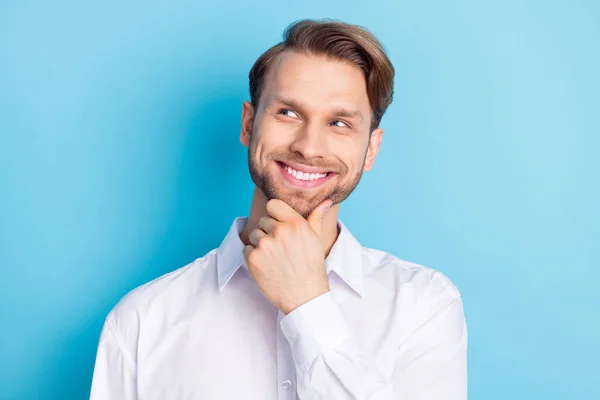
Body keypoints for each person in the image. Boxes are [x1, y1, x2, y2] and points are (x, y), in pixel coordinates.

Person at [90, 18, 467, 400]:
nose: (308, 146)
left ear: (370, 149)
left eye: (339, 122)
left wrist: (307, 302)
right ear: (248, 123)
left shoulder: (424, 307)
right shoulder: (141, 322)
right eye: (288, 113)